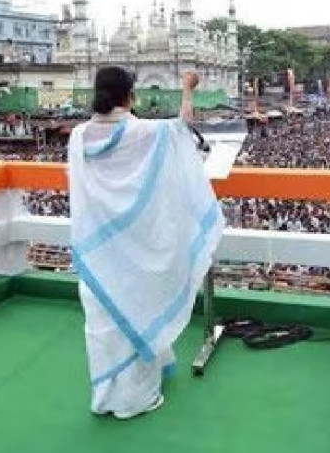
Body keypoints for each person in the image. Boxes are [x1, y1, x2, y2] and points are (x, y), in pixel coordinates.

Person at [68, 67, 225, 419]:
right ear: (129, 95)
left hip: (100, 251)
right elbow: (184, 125)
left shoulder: (78, 137)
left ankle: (106, 396)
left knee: (105, 326)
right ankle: (134, 400)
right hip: (135, 248)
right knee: (137, 309)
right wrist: (187, 88)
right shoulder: (143, 132)